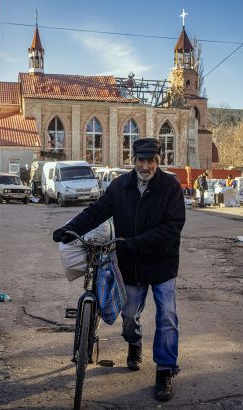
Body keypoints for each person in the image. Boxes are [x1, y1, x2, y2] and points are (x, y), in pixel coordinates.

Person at [53, 138, 185, 402]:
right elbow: (98, 211)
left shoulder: (170, 186)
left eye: (151, 161)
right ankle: (134, 343)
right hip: (132, 266)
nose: (145, 165)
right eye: (141, 160)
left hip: (162, 264)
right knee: (128, 317)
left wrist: (135, 243)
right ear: (133, 160)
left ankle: (165, 370)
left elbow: (173, 227)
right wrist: (71, 229)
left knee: (167, 317)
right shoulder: (119, 186)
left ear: (158, 162)